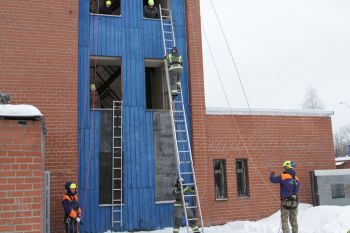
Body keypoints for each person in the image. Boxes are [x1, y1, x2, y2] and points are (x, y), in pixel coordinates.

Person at [270, 161, 301, 233]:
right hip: (295, 202)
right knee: (294, 221)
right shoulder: (297, 179)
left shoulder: (283, 176)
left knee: (284, 221)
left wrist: (272, 174)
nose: (284, 169)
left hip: (286, 202)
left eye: (284, 168)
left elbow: (273, 180)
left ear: (287, 167)